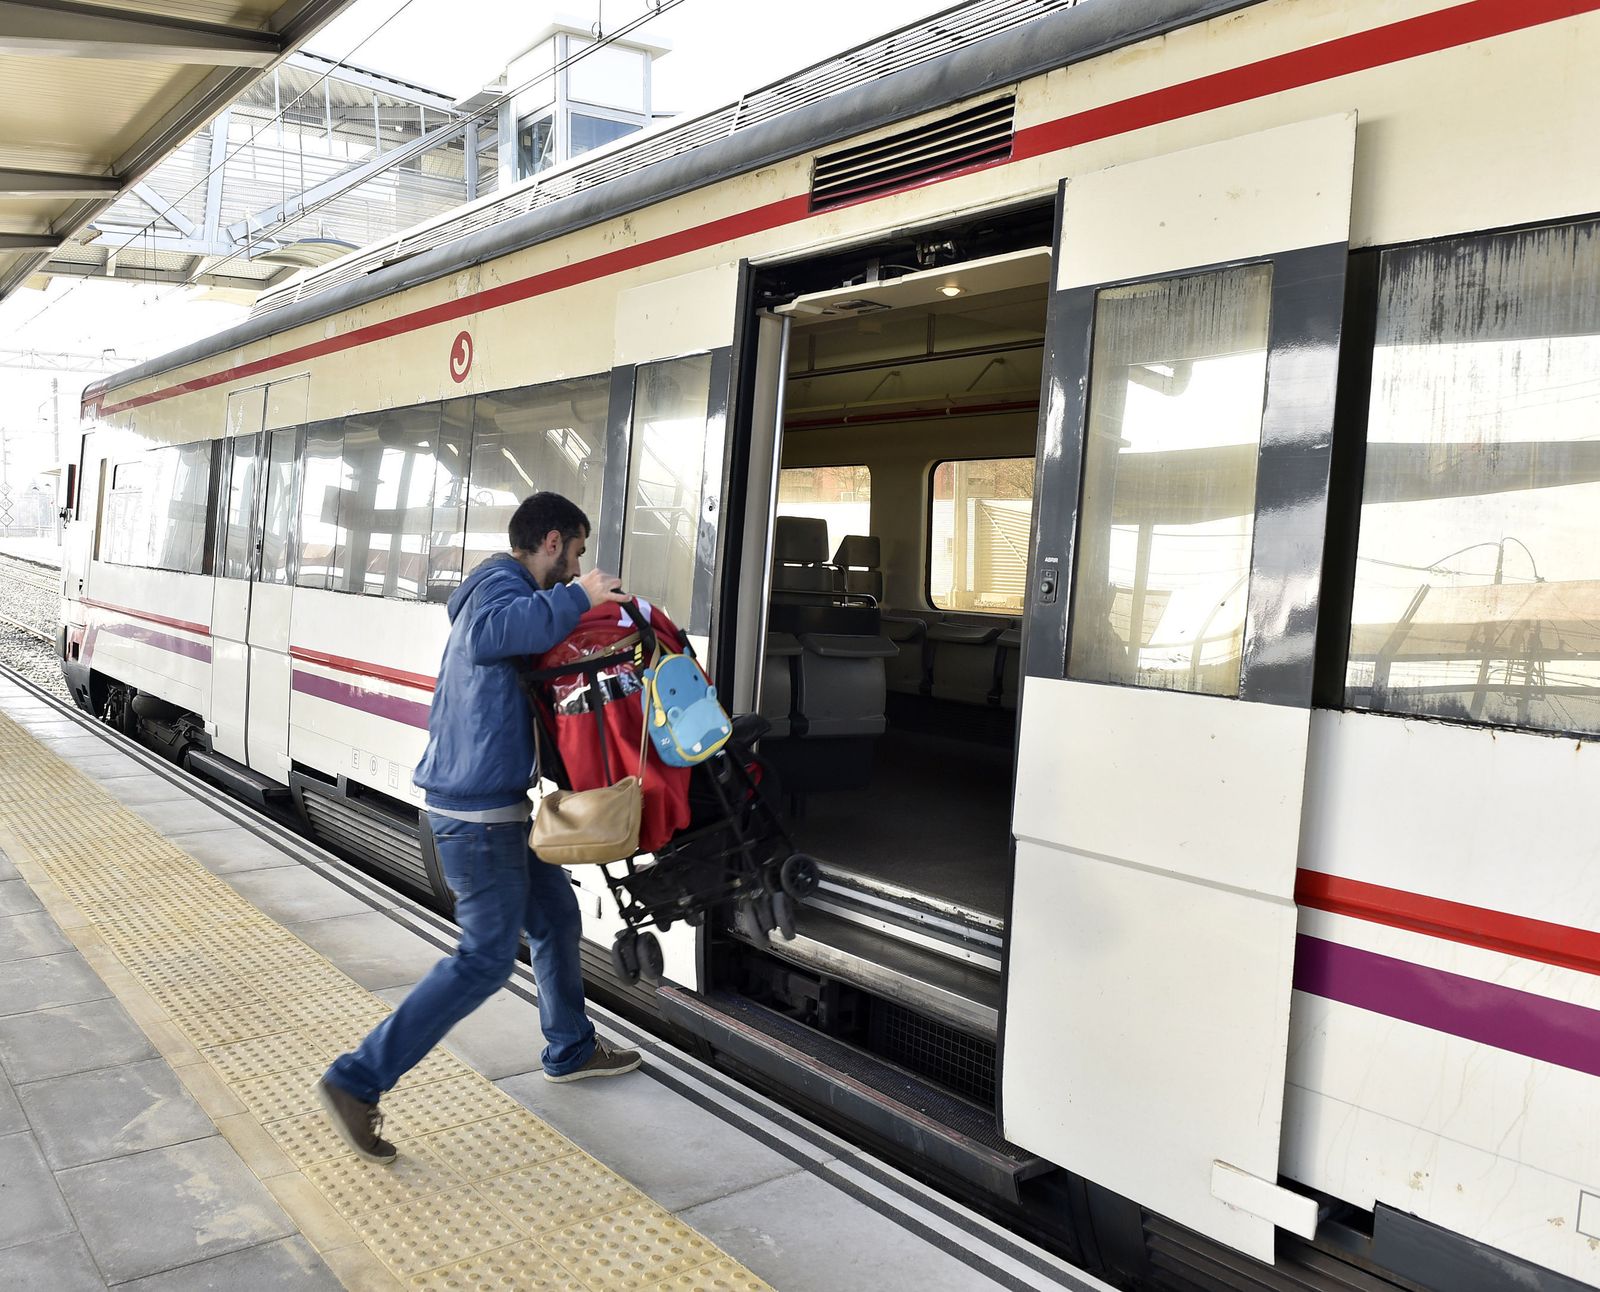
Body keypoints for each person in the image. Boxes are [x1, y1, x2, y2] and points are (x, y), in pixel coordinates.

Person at [317, 491, 641, 1164]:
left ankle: (571, 1046)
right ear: (552, 543)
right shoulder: (499, 588)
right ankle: (357, 1079)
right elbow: (495, 634)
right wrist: (580, 596)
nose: (579, 563)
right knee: (486, 960)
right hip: (475, 816)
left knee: (555, 919)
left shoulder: (502, 589)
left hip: (500, 809)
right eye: (576, 552)